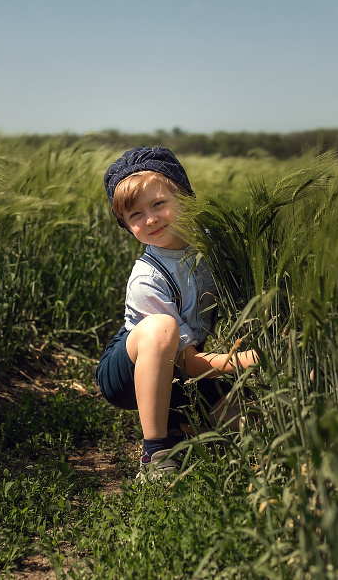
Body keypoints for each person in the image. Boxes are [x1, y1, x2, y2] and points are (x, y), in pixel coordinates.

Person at [96, 146, 259, 480]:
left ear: (186, 198)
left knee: (254, 425)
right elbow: (190, 364)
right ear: (126, 226)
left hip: (185, 364)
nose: (150, 219)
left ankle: (180, 424)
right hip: (130, 368)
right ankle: (155, 452)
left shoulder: (213, 246)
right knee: (162, 328)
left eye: (159, 204)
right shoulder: (147, 278)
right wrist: (259, 358)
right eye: (135, 215)